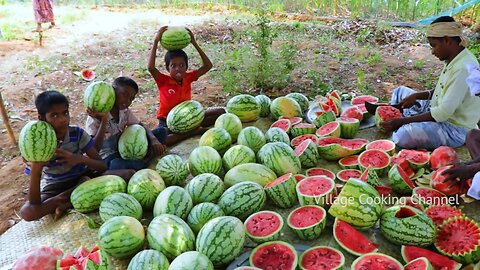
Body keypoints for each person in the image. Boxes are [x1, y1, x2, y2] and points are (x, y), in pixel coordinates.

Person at [19, 91, 128, 222]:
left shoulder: (76, 133)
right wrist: (36, 168)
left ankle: (67, 200)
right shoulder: (36, 143)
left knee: (128, 174)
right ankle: (69, 196)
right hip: (55, 187)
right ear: (41, 118)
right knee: (27, 212)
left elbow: (102, 166)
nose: (62, 119)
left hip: (83, 176)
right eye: (54, 115)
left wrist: (78, 159)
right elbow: (34, 202)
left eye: (65, 113)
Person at [381, 16, 480, 150]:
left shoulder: (463, 68)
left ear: (447, 40)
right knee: (400, 92)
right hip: (439, 110)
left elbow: (442, 113)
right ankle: (407, 118)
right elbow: (444, 90)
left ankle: (405, 121)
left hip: (454, 129)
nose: (432, 51)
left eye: (434, 46)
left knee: (403, 136)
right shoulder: (455, 58)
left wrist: (402, 121)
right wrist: (416, 96)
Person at [148, 26, 225, 146]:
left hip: (189, 116)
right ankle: (193, 132)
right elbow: (151, 68)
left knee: (221, 112)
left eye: (182, 65)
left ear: (186, 66)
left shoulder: (188, 77)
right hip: (167, 120)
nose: (178, 68)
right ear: (167, 68)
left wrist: (194, 42)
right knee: (163, 138)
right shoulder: (163, 80)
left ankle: (192, 129)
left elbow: (208, 65)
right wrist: (156, 41)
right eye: (173, 66)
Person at [86, 76, 166, 171]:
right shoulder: (94, 118)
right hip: (108, 157)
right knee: (120, 165)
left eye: (131, 99)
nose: (127, 101)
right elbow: (94, 150)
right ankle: (146, 158)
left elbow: (141, 125)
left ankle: (144, 158)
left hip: (125, 149)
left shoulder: (124, 111)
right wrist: (104, 120)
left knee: (161, 132)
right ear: (113, 91)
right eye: (125, 94)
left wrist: (153, 140)